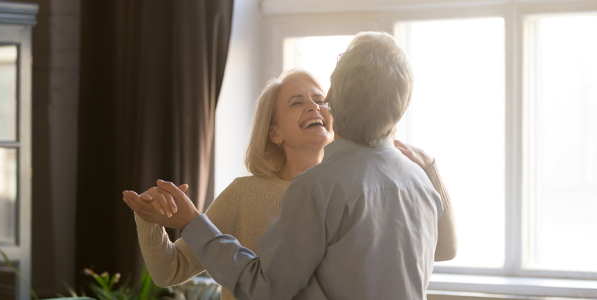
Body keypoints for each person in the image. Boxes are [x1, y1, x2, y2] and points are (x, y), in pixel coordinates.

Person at [123, 32, 455, 299]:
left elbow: (265, 288)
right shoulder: (248, 193)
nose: (315, 107)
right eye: (298, 102)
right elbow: (169, 271)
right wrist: (151, 217)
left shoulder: (326, 187)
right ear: (274, 132)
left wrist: (193, 222)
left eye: (321, 99)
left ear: (336, 108)